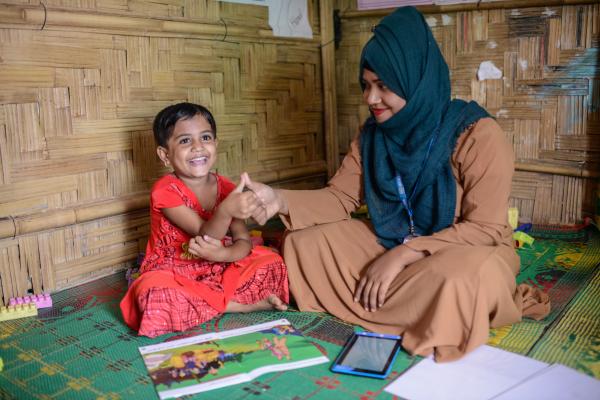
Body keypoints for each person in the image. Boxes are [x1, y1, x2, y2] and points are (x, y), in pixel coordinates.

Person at [245, 7, 550, 362]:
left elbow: (483, 228)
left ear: (414, 81)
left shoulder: (478, 134)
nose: (369, 99)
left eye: (383, 86)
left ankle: (400, 305)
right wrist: (278, 198)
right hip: (392, 239)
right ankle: (411, 308)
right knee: (304, 242)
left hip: (462, 249)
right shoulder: (373, 135)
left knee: (464, 279)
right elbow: (340, 196)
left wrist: (403, 254)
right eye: (366, 85)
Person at [120, 102, 289, 338]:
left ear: (216, 144)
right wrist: (227, 209)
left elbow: (242, 240)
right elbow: (205, 234)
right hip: (176, 271)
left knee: (272, 262)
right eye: (185, 141)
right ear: (165, 155)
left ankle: (208, 304)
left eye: (206, 137)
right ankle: (235, 305)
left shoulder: (227, 187)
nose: (198, 147)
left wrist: (223, 255)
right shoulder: (164, 190)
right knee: (155, 294)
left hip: (219, 265)